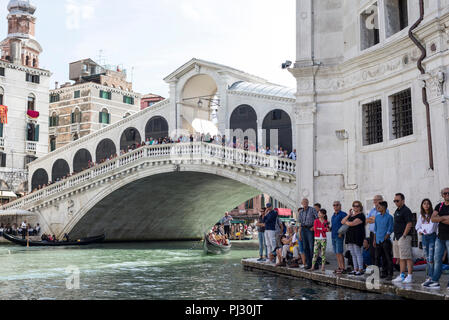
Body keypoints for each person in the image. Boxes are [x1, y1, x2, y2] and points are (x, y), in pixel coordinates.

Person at [425, 188, 449, 289]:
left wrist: (440, 218)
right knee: (437, 259)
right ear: (442, 195)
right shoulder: (439, 206)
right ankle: (435, 281)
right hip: (440, 237)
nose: (447, 194)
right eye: (445, 193)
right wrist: (444, 217)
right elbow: (432, 218)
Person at [392, 193, 414, 284]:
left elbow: (409, 223)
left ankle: (409, 276)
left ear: (403, 201)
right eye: (394, 201)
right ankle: (402, 275)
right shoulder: (397, 211)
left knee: (407, 257)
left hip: (404, 237)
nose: (396, 202)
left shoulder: (406, 210)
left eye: (397, 200)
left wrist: (404, 235)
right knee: (401, 258)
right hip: (396, 237)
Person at [416, 199, 438, 286]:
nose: (426, 205)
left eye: (428, 203)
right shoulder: (421, 216)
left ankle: (432, 277)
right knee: (427, 258)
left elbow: (436, 227)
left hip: (432, 237)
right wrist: (421, 230)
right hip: (425, 238)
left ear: (430, 205)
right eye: (424, 203)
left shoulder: (433, 214)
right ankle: (428, 277)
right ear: (422, 205)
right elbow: (417, 226)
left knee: (431, 258)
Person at [342, 201, 366, 276]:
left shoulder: (361, 215)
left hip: (357, 236)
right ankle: (355, 269)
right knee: (353, 254)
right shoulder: (351, 216)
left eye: (357, 206)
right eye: (354, 206)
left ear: (360, 207)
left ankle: (361, 269)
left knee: (358, 253)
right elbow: (342, 221)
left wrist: (347, 222)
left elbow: (352, 224)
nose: (355, 207)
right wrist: (349, 215)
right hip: (350, 236)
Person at [373, 201, 394, 280]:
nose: (377, 208)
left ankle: (390, 274)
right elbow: (375, 229)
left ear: (384, 207)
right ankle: (379, 273)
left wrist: (386, 237)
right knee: (377, 258)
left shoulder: (389, 217)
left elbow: (390, 228)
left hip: (385, 241)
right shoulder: (377, 217)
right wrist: (374, 240)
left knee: (388, 257)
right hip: (378, 240)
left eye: (379, 206)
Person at [298, 198, 318, 270]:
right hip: (303, 229)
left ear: (308, 202)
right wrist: (299, 233)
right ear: (302, 203)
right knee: (305, 247)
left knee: (311, 247)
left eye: (306, 202)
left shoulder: (312, 209)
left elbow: (317, 219)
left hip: (310, 229)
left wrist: (313, 227)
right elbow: (299, 222)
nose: (305, 203)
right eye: (303, 202)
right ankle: (308, 264)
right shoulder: (300, 212)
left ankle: (314, 264)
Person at [367, 195, 387, 268]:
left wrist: (373, 219)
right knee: (372, 253)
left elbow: (380, 220)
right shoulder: (372, 210)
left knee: (382, 253)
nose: (374, 201)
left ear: (381, 200)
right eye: (374, 200)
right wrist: (373, 219)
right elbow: (367, 220)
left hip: (381, 234)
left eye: (376, 200)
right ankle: (375, 270)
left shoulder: (385, 210)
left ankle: (384, 270)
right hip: (372, 233)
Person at [331, 201, 347, 274]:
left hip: (339, 235)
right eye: (334, 205)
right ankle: (339, 267)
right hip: (333, 235)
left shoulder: (343, 214)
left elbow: (346, 225)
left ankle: (343, 268)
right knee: (336, 253)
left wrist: (341, 233)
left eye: (337, 205)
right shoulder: (333, 215)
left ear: (340, 206)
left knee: (339, 252)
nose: (335, 206)